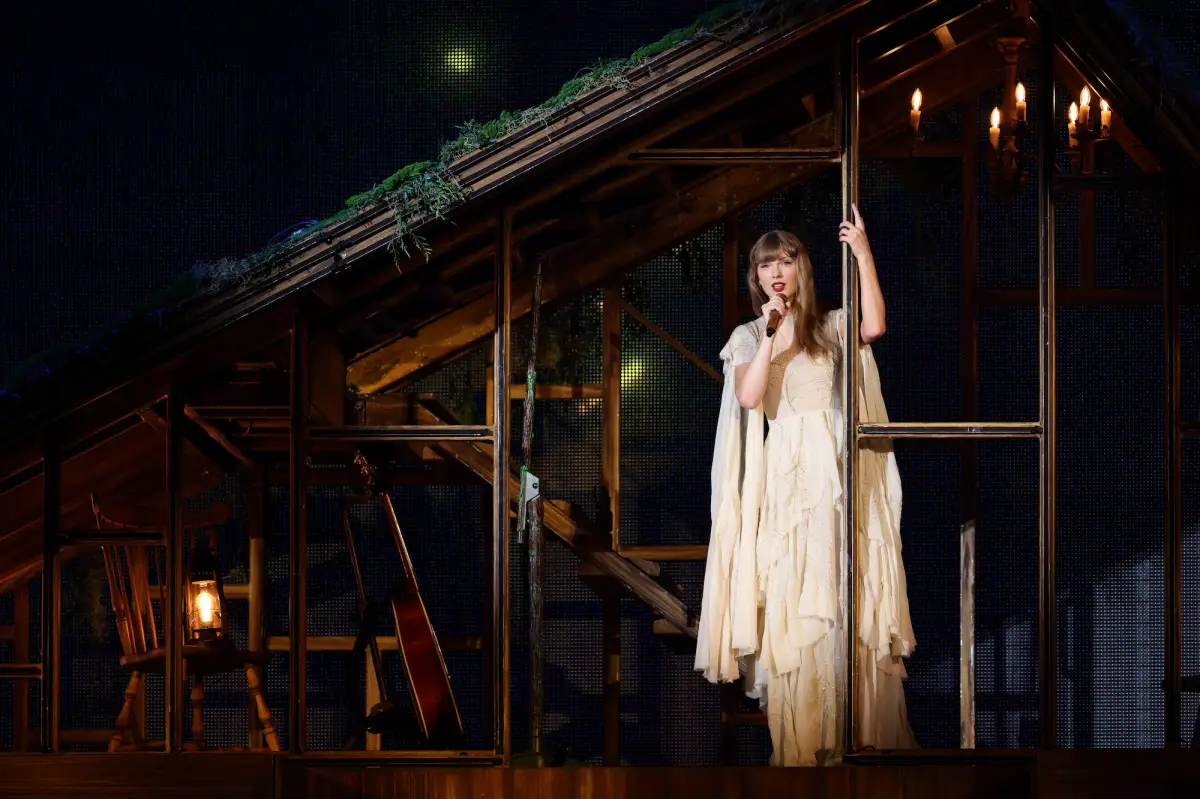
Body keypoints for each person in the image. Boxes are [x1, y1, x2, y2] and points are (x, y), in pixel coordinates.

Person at [695, 205, 917, 766]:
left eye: (785, 261)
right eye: (766, 264)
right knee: (796, 599)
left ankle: (858, 736)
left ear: (801, 269)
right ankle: (806, 747)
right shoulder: (750, 335)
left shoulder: (830, 324)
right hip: (787, 479)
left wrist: (862, 252)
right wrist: (770, 332)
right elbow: (749, 397)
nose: (776, 272)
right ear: (756, 276)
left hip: (835, 473)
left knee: (843, 592)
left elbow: (874, 326)